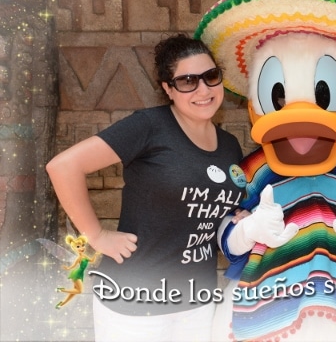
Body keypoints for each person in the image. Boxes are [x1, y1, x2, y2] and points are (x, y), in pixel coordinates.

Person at [46, 33, 247, 342]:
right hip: (134, 302)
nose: (203, 90)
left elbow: (210, 213)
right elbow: (63, 167)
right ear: (168, 89)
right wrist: (97, 236)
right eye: (187, 81)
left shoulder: (230, 146)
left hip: (197, 301)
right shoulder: (150, 126)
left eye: (210, 77)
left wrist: (237, 220)